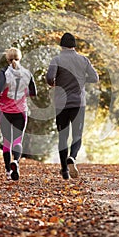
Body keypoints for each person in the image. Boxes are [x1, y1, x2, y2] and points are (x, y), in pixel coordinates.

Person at [46, 33, 99, 180]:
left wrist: (55, 84)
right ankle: (72, 157)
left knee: (63, 136)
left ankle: (64, 170)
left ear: (61, 46)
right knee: (77, 135)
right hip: (78, 104)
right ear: (74, 45)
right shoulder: (83, 60)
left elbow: (50, 78)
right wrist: (81, 80)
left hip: (61, 103)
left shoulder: (56, 60)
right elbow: (95, 78)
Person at [0, 47, 37, 181]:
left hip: (5, 112)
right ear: (20, 58)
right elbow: (33, 92)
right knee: (18, 140)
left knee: (7, 141)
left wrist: (0, 97)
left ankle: (8, 171)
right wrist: (23, 94)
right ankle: (16, 162)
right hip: (21, 112)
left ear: (7, 59)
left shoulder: (4, 72)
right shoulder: (27, 73)